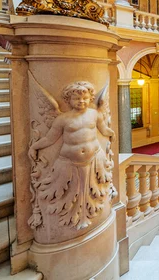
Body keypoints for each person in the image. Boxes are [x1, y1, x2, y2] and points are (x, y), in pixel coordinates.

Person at [29, 81, 116, 230]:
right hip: (68, 161)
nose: (81, 101)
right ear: (68, 100)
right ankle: (75, 217)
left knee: (91, 190)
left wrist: (112, 133)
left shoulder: (94, 114)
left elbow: (103, 129)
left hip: (94, 157)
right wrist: (35, 146)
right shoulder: (63, 119)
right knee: (68, 192)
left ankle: (85, 215)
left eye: (85, 98)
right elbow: (50, 138)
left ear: (90, 99)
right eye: (77, 99)